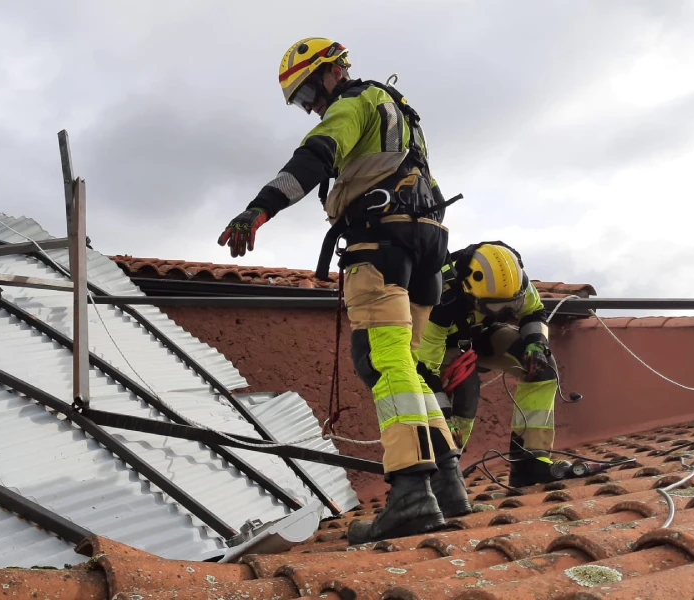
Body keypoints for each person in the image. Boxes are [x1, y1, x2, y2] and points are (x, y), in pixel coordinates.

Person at [217, 37, 471, 544]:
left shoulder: (354, 103)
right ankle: (445, 481)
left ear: (330, 73)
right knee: (409, 365)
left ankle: (410, 494)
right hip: (427, 248)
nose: (310, 106)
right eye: (300, 101)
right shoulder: (399, 110)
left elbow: (315, 156)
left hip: (382, 243)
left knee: (383, 362)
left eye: (308, 92)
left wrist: (258, 209)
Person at [414, 241, 561, 488]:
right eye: (495, 306)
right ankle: (445, 474)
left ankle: (531, 462)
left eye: (510, 306)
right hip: (443, 342)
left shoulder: (516, 284)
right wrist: (443, 416)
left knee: (542, 368)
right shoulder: (441, 299)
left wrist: (536, 343)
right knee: (464, 392)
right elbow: (424, 370)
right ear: (469, 291)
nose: (504, 312)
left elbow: (534, 313)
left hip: (482, 333)